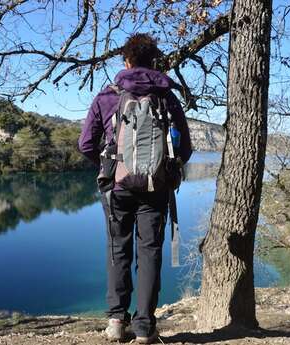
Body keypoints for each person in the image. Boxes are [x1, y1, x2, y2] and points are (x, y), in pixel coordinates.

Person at [78, 33, 192, 344]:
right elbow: (187, 147)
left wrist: (109, 167)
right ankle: (145, 329)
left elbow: (85, 143)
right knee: (150, 252)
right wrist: (168, 169)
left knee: (118, 249)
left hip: (117, 188)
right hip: (156, 187)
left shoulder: (108, 96)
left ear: (126, 61)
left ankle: (116, 321)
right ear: (153, 61)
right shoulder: (167, 97)